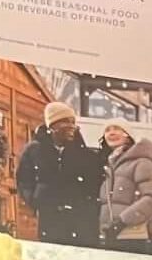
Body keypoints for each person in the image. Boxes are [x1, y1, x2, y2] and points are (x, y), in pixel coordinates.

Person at [12, 101, 104, 247]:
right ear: (52, 126)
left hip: (81, 219)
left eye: (73, 122)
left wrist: (88, 205)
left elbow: (95, 182)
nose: (71, 126)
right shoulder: (34, 150)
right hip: (50, 218)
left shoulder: (84, 153)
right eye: (65, 122)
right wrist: (35, 199)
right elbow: (23, 180)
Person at [98, 123, 152, 252]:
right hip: (115, 237)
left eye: (117, 128)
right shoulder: (108, 166)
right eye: (107, 130)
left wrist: (122, 221)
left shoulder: (142, 162)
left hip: (139, 237)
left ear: (128, 135)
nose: (111, 132)